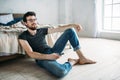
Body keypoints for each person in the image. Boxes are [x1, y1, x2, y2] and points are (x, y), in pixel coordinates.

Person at [18, 11, 96, 78]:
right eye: (30, 20)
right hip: (42, 58)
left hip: (52, 50)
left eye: (35, 19)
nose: (34, 22)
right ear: (25, 23)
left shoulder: (41, 30)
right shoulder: (23, 36)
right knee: (61, 72)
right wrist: (49, 56)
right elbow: (31, 54)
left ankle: (82, 58)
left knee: (70, 30)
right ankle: (72, 62)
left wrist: (74, 25)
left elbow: (59, 28)